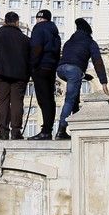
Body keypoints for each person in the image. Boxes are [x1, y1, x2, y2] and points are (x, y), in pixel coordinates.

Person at [57, 18, 109, 140]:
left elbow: (70, 60)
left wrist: (84, 75)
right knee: (69, 99)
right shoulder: (90, 42)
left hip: (60, 70)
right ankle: (61, 131)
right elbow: (98, 62)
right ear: (88, 32)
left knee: (74, 96)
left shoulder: (69, 41)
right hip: (73, 71)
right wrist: (104, 82)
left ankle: (75, 123)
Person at [0, 11, 31, 140]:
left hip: (0, 74)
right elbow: (31, 58)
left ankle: (3, 132)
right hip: (20, 76)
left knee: (2, 102)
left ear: (4, 22)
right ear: (17, 23)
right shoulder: (25, 40)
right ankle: (16, 132)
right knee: (17, 103)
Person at [28, 9, 61, 140]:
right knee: (49, 99)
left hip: (40, 66)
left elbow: (36, 47)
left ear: (39, 19)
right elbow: (58, 52)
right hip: (51, 67)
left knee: (43, 100)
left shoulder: (38, 29)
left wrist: (32, 65)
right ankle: (48, 128)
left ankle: (45, 131)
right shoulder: (55, 32)